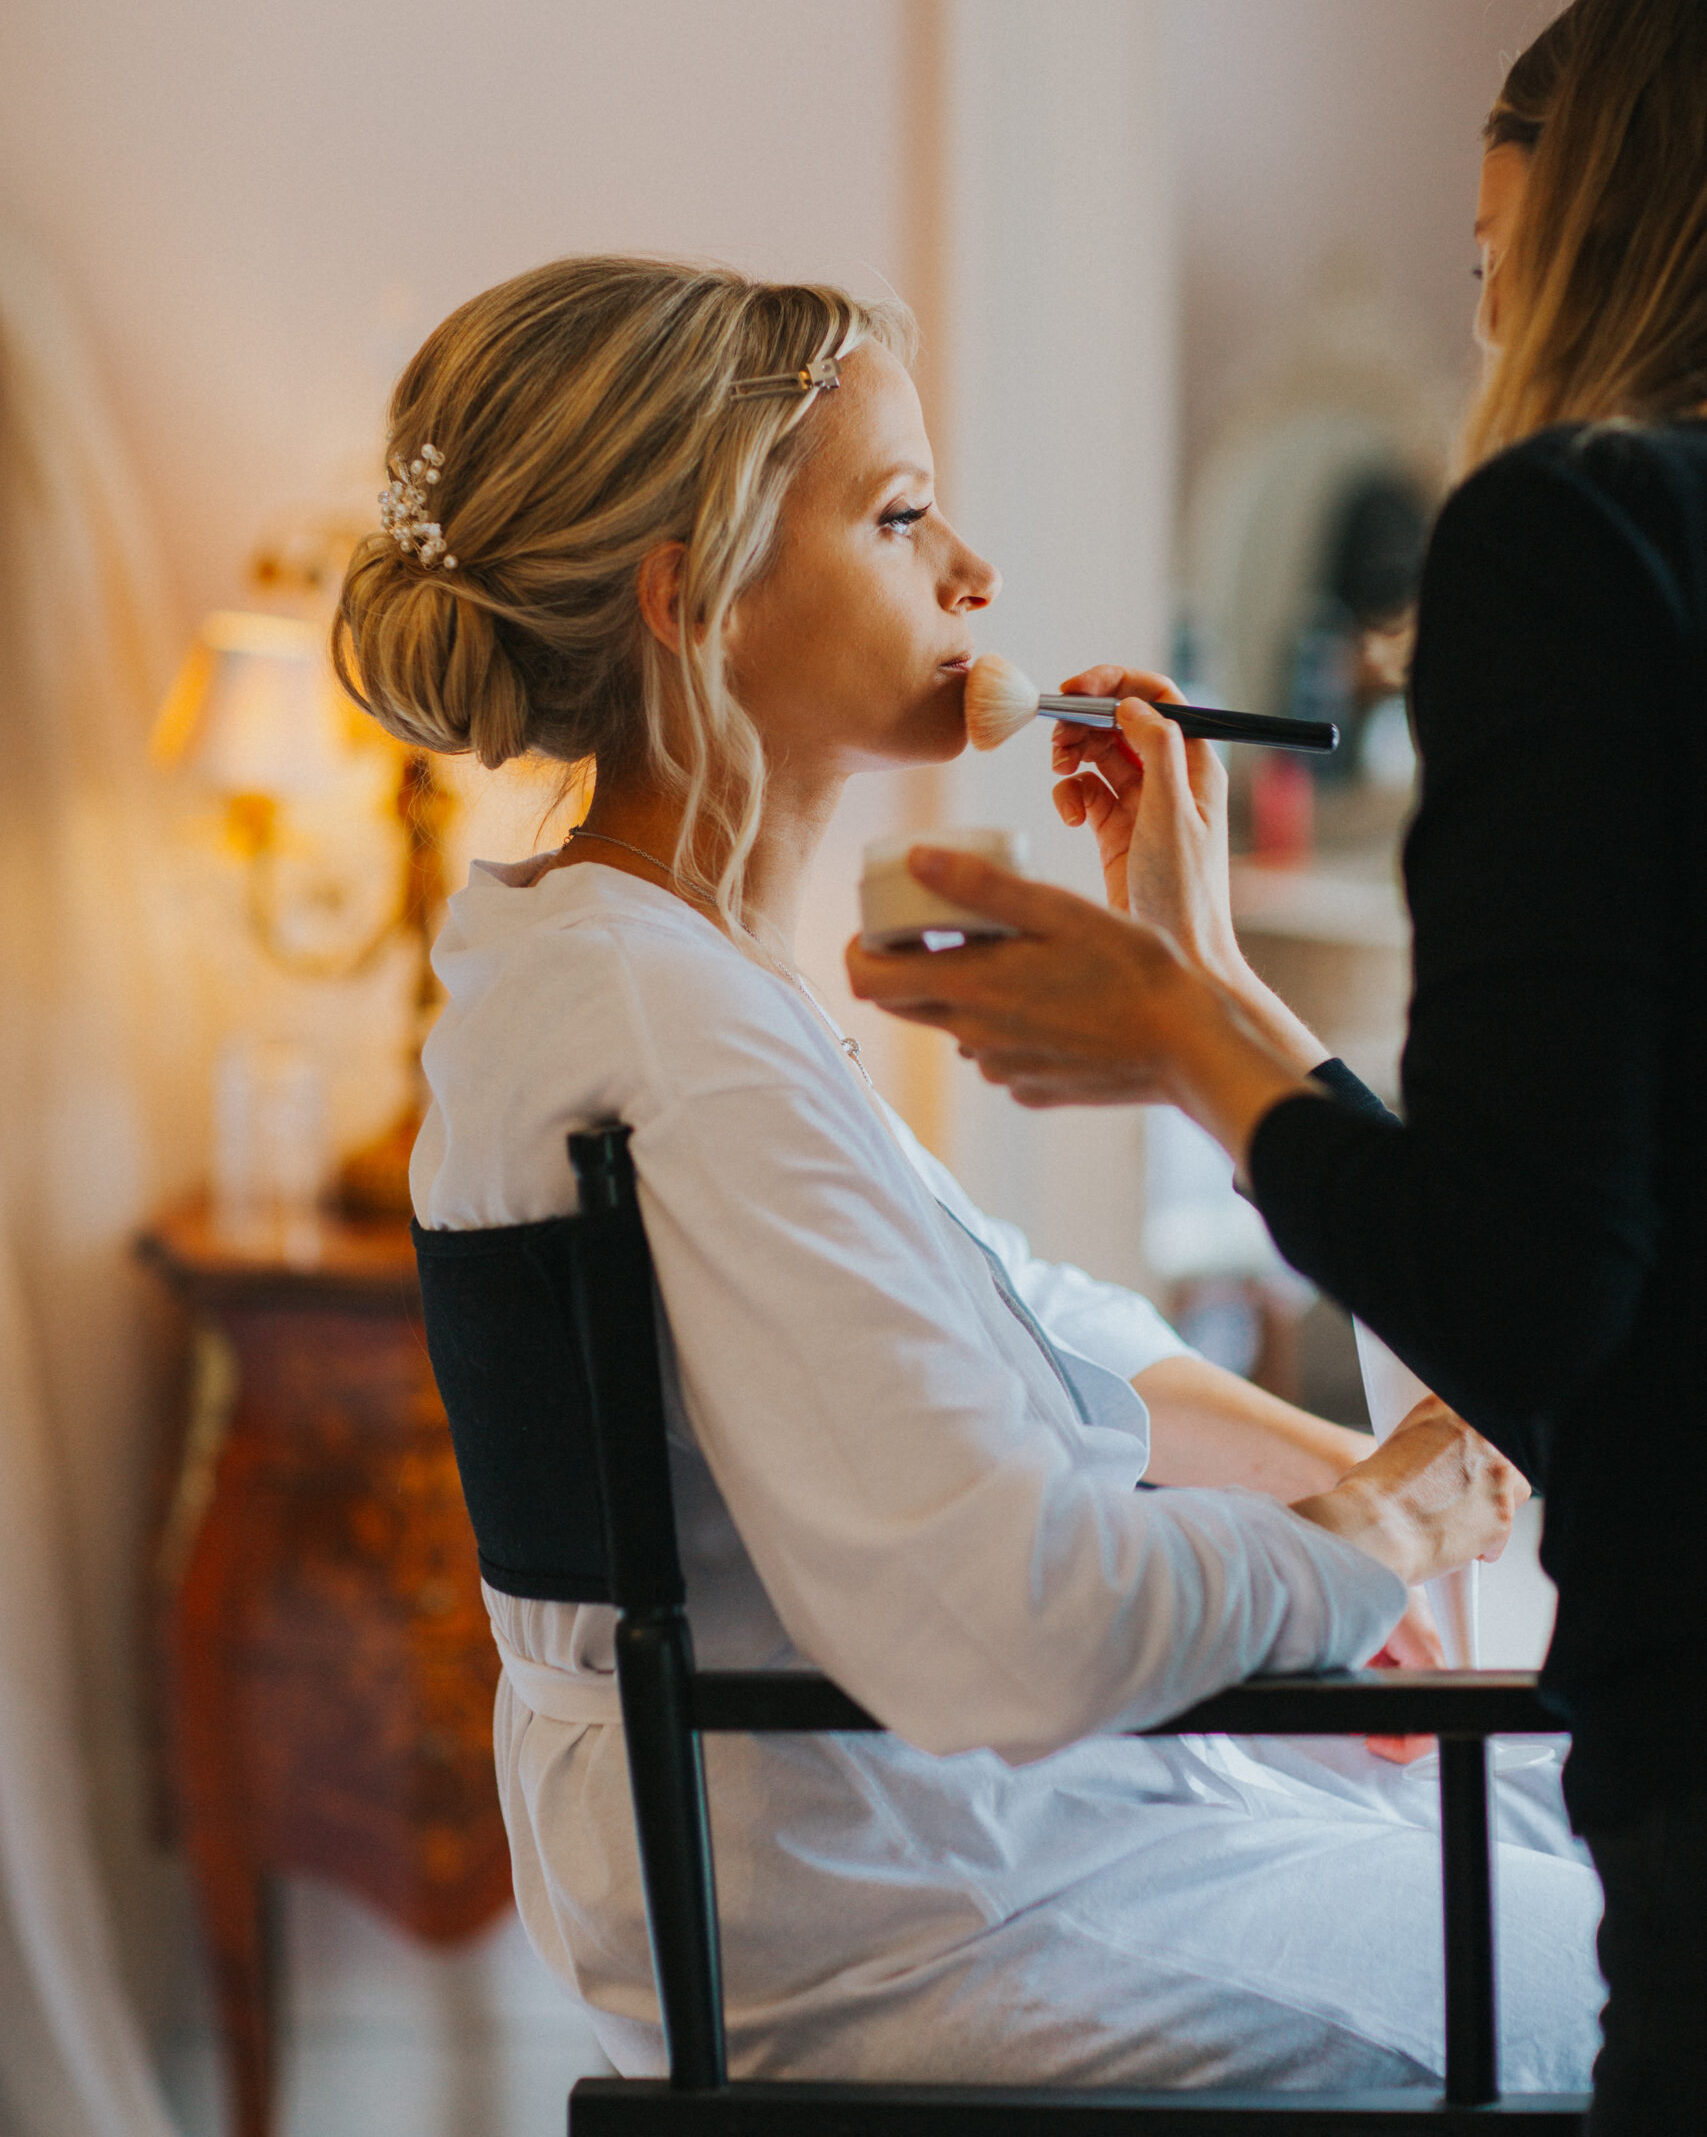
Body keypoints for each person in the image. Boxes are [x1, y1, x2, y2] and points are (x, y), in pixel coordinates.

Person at [334, 255, 1601, 2093]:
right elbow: (996, 1617)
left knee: (1581, 1832)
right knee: (1652, 1955)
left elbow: (1034, 1331)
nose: (976, 576)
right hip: (940, 1920)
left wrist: (1204, 980)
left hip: (941, 1862)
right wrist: (1363, 1540)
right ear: (687, 602)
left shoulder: (634, 975)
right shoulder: (673, 1033)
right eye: (903, 514)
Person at [847, 0, 1707, 2131]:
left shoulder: (1585, 529)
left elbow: (1534, 1275)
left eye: (1511, 255)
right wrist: (1209, 988)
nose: (1493, 319)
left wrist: (1172, 1035)